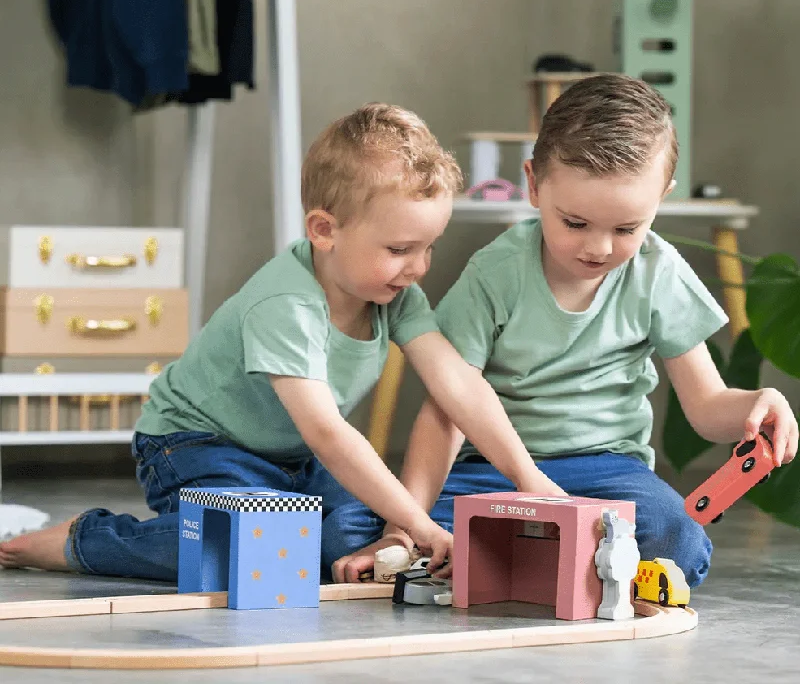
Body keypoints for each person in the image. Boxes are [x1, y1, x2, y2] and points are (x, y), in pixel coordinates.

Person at [0, 102, 563, 581]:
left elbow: (457, 384)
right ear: (324, 230)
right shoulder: (287, 305)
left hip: (292, 461)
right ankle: (86, 540)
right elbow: (327, 432)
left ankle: (297, 533)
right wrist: (417, 524)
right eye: (399, 249)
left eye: (428, 247)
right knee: (254, 545)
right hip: (195, 445)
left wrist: (530, 479)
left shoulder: (396, 295)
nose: (418, 268)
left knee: (352, 536)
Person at [330, 75, 798, 586]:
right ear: (533, 184)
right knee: (350, 530)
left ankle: (515, 563)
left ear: (660, 197)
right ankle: (558, 567)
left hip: (608, 475)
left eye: (625, 228)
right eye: (574, 222)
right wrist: (403, 528)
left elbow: (707, 406)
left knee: (674, 534)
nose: (597, 248)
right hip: (491, 472)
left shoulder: (659, 272)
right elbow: (448, 408)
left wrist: (756, 404)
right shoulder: (496, 271)